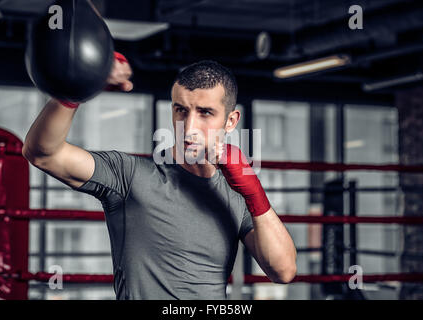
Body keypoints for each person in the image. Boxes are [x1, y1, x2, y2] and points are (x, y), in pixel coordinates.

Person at [22, 54, 297, 299]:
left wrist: (253, 192)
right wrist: (75, 92)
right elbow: (43, 153)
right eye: (181, 110)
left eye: (205, 113)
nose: (189, 127)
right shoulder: (129, 175)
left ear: (231, 121)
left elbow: (283, 271)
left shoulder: (237, 193)